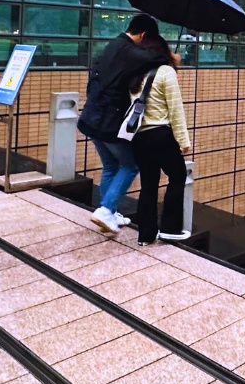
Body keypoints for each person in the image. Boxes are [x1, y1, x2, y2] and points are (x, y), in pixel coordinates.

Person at [79, 14, 172, 234]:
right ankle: (106, 209)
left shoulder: (113, 45)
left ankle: (108, 211)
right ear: (143, 35)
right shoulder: (127, 49)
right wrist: (169, 55)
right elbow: (153, 58)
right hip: (108, 121)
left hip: (92, 118)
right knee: (130, 166)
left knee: (111, 166)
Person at [129, 34, 192, 245]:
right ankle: (170, 228)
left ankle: (146, 235)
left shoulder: (135, 72)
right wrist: (184, 141)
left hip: (139, 137)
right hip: (160, 135)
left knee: (148, 184)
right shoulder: (166, 72)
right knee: (178, 175)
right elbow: (175, 110)